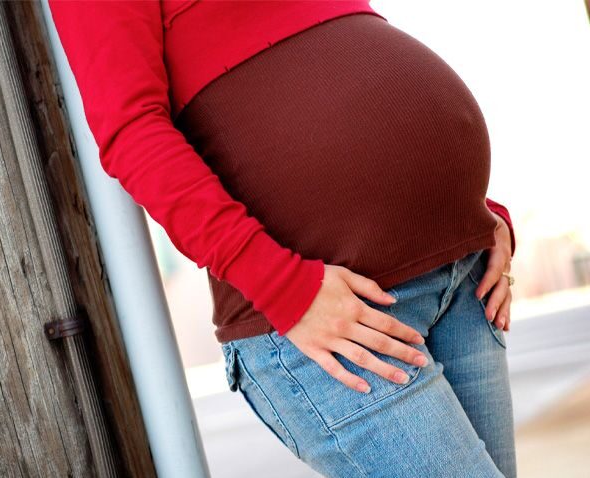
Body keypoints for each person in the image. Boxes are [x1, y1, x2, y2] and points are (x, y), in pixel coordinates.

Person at [48, 1, 518, 476]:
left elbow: (348, 52)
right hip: (332, 314)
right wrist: (283, 287)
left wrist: (472, 208)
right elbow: (132, 133)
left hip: (465, 271)